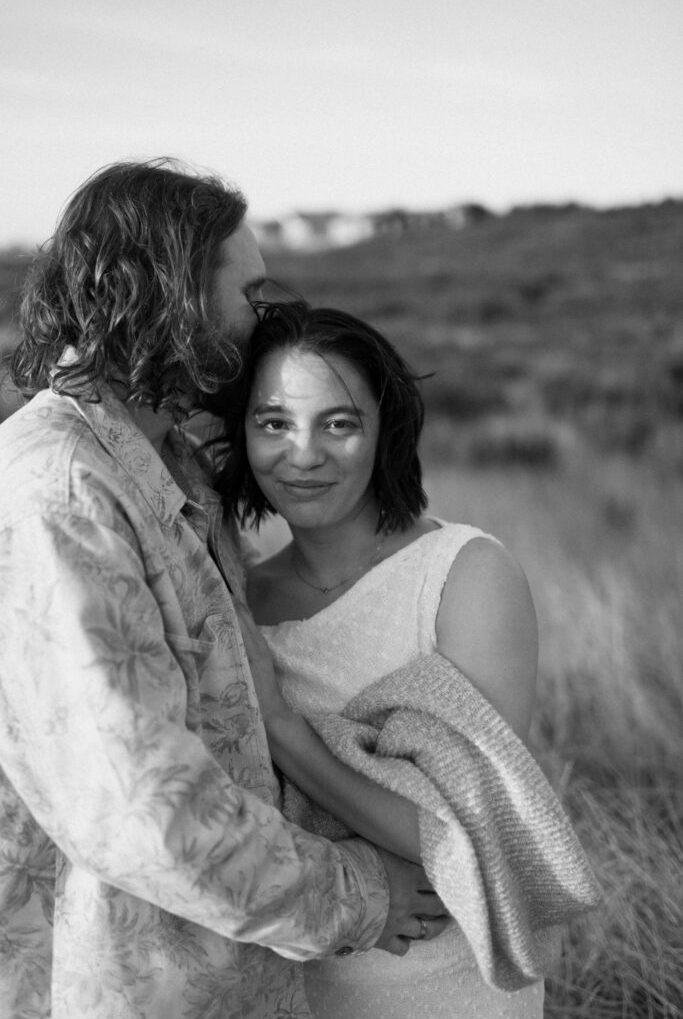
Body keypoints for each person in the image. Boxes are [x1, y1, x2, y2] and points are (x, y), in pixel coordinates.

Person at [0, 161, 453, 1019]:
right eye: (244, 292)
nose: (261, 319)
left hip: (221, 972)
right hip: (131, 984)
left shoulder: (159, 463)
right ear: (167, 294)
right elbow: (146, 808)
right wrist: (357, 893)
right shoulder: (64, 491)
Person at [215, 301, 601, 1019]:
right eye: (273, 423)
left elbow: (468, 828)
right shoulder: (236, 597)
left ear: (383, 430)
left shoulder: (461, 573)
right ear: (241, 433)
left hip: (446, 985)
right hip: (286, 985)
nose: (302, 454)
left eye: (339, 422)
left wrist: (282, 726)